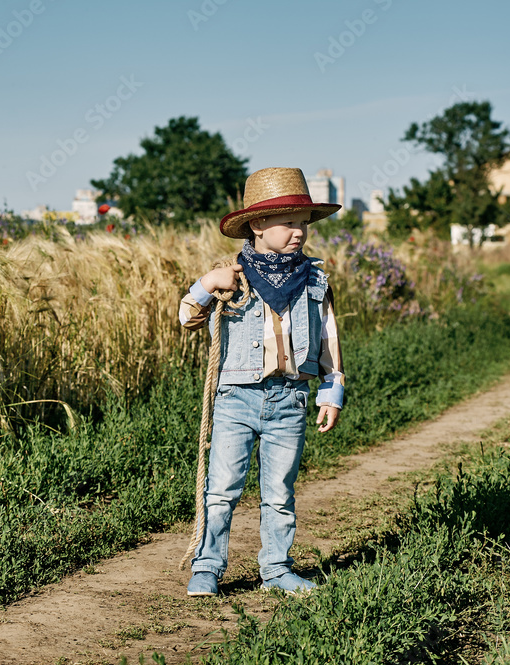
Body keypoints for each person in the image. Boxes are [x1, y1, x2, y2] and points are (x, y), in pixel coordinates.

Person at [179, 167, 345, 596]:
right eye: (289, 222)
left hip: (290, 397)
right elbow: (186, 317)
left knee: (279, 493)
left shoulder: (314, 278)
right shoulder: (231, 276)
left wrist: (332, 389)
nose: (299, 232)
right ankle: (207, 567)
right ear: (257, 226)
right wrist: (204, 285)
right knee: (222, 490)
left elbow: (328, 334)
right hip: (236, 398)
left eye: (304, 223)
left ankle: (276, 569)